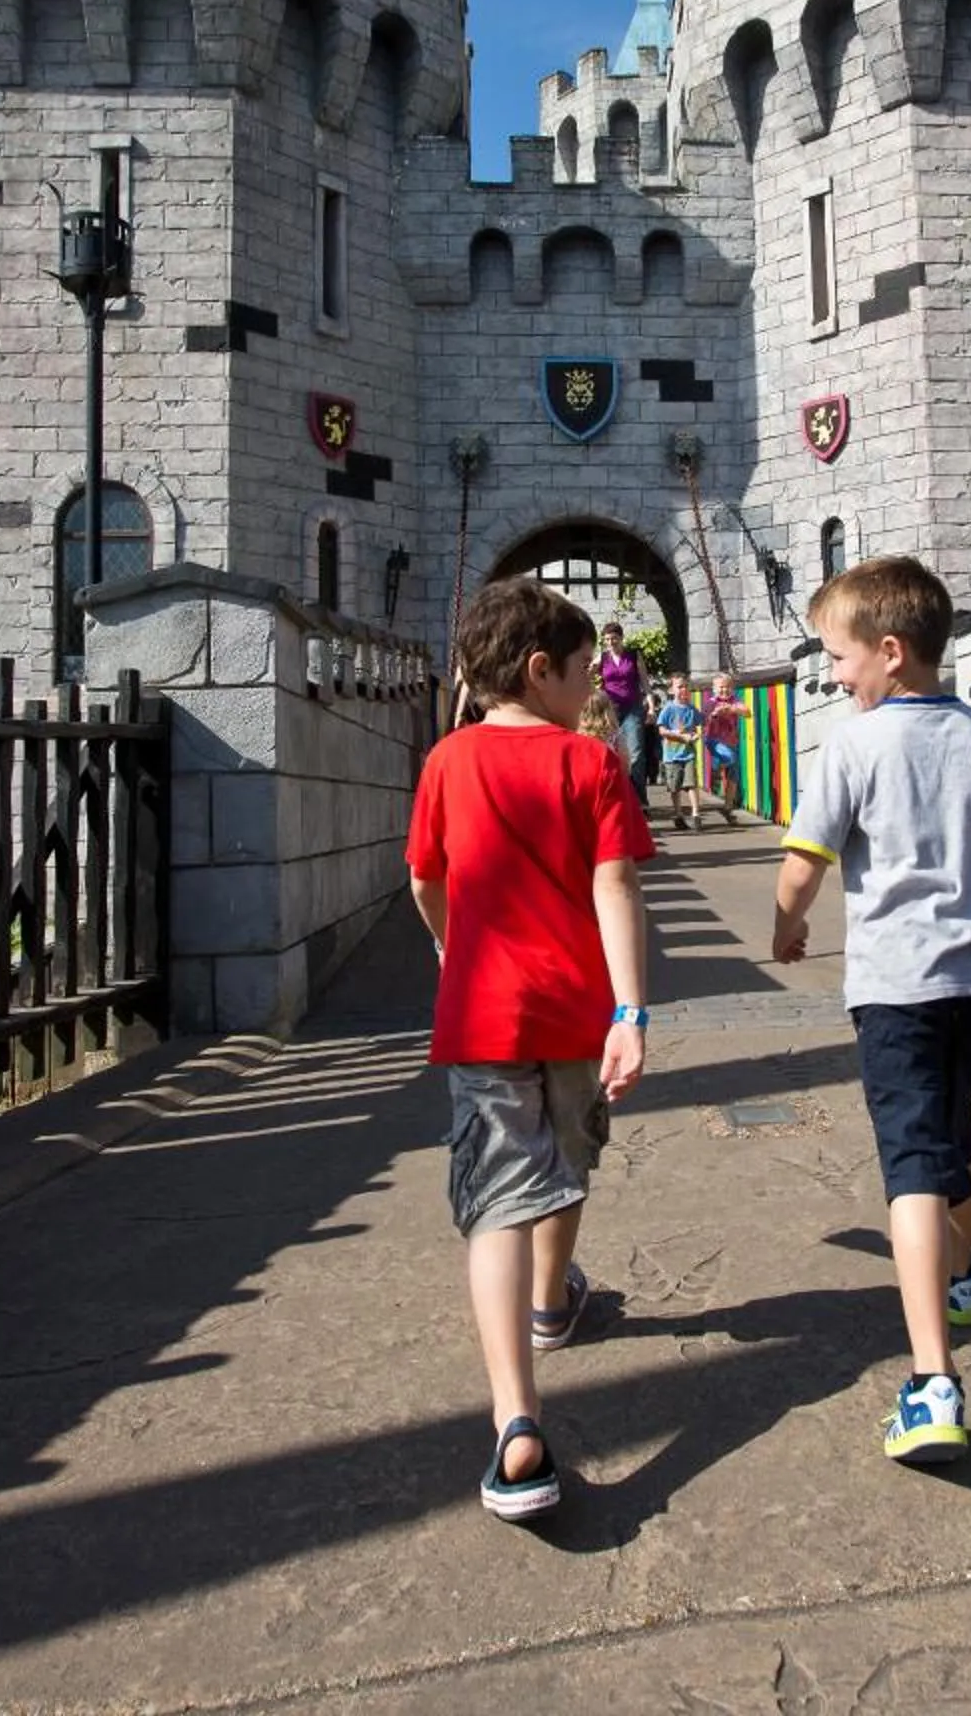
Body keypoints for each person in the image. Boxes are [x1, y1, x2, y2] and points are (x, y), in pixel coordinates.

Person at [770, 555, 971, 1467]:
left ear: (891, 653)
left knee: (910, 1163)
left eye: (839, 657)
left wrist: (785, 927)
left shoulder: (857, 747)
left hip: (897, 990)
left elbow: (802, 866)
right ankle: (959, 1278)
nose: (833, 674)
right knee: (957, 1137)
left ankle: (932, 1382)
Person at [409, 578, 656, 1521]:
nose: (593, 686)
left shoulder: (447, 762)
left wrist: (450, 949)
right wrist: (629, 1012)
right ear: (540, 670)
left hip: (484, 1016)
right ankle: (554, 1301)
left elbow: (427, 884)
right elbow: (618, 891)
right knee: (569, 1158)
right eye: (585, 670)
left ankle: (517, 1420)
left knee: (497, 1204)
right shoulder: (590, 765)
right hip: (575, 1015)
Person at [595, 622, 645, 785]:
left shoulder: (634, 655)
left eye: (614, 638)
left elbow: (644, 680)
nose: (610, 643)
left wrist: (651, 706)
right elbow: (586, 674)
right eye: (607, 639)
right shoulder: (602, 657)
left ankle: (639, 799)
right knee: (610, 750)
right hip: (610, 709)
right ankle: (617, 792)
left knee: (635, 751)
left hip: (633, 707)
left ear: (621, 638)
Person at [657, 675, 705, 829]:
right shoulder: (668, 708)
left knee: (692, 784)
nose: (683, 690)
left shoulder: (692, 709)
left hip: (688, 753)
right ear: (671, 690)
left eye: (686, 686)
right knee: (675, 787)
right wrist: (678, 735)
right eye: (679, 687)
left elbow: (701, 725)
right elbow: (662, 730)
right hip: (671, 755)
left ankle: (696, 814)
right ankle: (678, 814)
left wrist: (697, 735)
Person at [703, 673, 744, 827]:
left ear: (732, 688)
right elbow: (704, 718)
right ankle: (716, 773)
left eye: (727, 687)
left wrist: (732, 708)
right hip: (714, 740)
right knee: (729, 758)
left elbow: (747, 712)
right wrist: (714, 714)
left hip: (732, 741)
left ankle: (728, 808)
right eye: (721, 687)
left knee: (733, 777)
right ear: (714, 689)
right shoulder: (711, 702)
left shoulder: (735, 701)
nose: (724, 690)